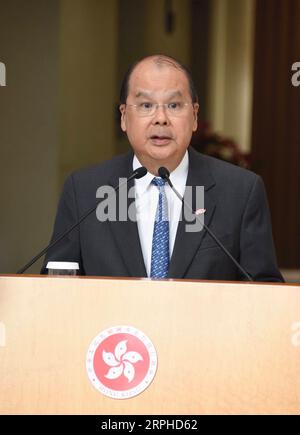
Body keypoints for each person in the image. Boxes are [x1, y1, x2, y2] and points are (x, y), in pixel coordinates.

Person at [42, 54, 283, 282]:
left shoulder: (240, 192)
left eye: (174, 105)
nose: (161, 118)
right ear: (124, 117)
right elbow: (56, 287)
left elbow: (264, 291)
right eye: (146, 105)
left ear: (195, 116)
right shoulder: (85, 191)